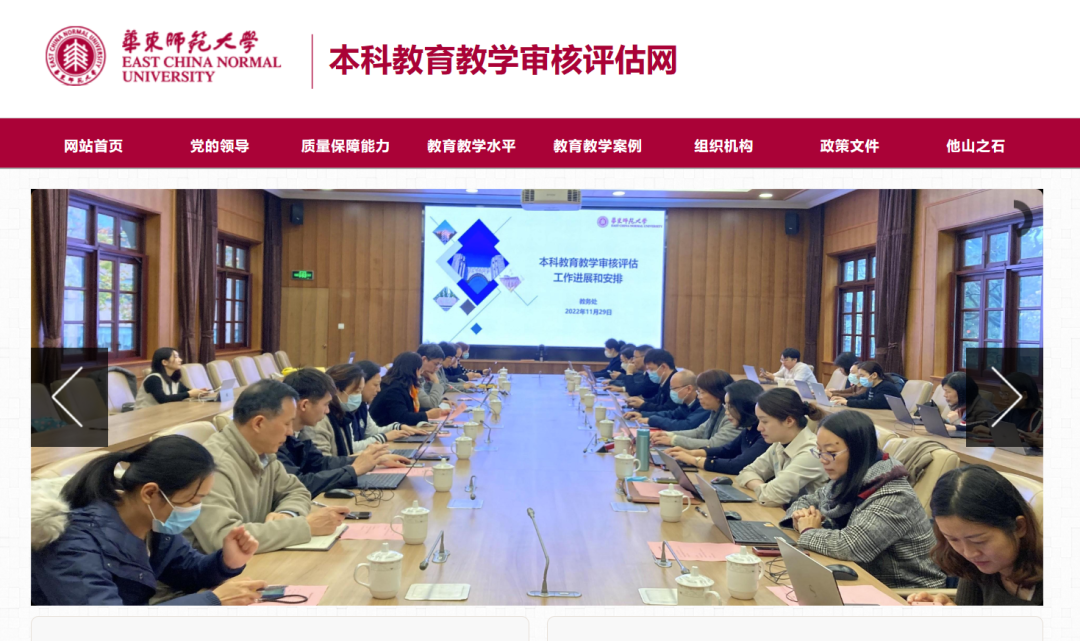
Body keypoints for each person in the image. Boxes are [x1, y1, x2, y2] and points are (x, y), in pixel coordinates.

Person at [31, 435, 265, 605]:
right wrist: (212, 601)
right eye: (192, 501)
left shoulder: (152, 523)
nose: (196, 509)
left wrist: (226, 562)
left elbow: (187, 570)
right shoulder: (72, 545)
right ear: (150, 493)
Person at [780, 411, 946, 589]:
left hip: (906, 592)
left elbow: (850, 546)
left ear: (858, 451)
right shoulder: (849, 478)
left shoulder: (894, 495)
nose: (823, 460)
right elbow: (807, 500)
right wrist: (800, 516)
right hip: (861, 579)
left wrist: (808, 530)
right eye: (819, 451)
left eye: (830, 452)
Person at [190, 380, 351, 554]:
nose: (290, 432)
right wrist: (304, 527)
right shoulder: (212, 466)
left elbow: (296, 490)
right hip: (216, 569)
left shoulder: (263, 451)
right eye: (287, 423)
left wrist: (288, 513)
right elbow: (224, 538)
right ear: (258, 423)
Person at [908, 465, 1042, 605]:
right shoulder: (977, 565)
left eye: (979, 541)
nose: (968, 553)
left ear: (1019, 527)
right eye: (953, 539)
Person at [278, 368, 410, 496]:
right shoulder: (277, 439)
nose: (327, 411)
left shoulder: (295, 434)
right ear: (304, 405)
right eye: (325, 404)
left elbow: (319, 463)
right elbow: (298, 484)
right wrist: (353, 470)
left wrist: (372, 460)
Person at [736, 387, 828, 507]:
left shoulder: (811, 452)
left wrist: (764, 489)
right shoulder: (780, 444)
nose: (759, 428)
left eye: (764, 421)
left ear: (789, 421)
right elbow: (746, 472)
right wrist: (764, 488)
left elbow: (771, 497)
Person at [666, 379, 769, 475]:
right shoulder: (748, 429)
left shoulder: (764, 435)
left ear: (743, 407)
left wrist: (694, 460)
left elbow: (737, 465)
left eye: (730, 406)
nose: (727, 412)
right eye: (725, 406)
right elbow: (726, 450)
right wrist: (691, 453)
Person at [648, 370, 740, 449]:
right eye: (699, 392)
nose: (699, 397)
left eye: (702, 392)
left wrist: (673, 440)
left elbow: (713, 444)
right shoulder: (716, 411)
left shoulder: (732, 417)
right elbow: (698, 432)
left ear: (717, 394)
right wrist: (667, 434)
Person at [352, 360, 428, 449]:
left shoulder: (362, 405)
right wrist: (385, 437)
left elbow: (372, 431)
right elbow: (351, 448)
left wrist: (399, 427)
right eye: (375, 385)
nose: (379, 390)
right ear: (361, 384)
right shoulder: (347, 409)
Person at [370, 351, 451, 427]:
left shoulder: (403, 385)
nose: (420, 375)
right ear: (415, 370)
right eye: (420, 370)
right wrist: (427, 415)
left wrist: (437, 410)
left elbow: (411, 409)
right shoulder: (393, 389)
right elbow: (402, 417)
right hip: (384, 432)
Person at [624, 369, 710, 431]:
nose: (671, 392)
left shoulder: (704, 405)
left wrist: (653, 420)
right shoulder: (686, 403)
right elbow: (671, 414)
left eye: (674, 388)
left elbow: (686, 425)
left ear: (688, 389)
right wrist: (643, 415)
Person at [135, 347, 211, 409]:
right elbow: (163, 399)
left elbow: (186, 391)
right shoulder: (154, 379)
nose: (180, 360)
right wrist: (189, 394)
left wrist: (199, 392)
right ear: (164, 362)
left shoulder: (173, 379)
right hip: (145, 417)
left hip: (163, 415)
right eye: (176, 357)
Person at [830, 360, 902, 410]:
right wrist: (843, 399)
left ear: (874, 375)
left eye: (862, 375)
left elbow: (873, 403)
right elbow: (860, 397)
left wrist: (847, 402)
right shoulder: (871, 386)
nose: (859, 378)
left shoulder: (886, 387)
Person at [626, 348, 678, 413]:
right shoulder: (664, 380)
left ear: (663, 367)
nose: (649, 373)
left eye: (651, 369)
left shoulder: (676, 383)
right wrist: (639, 401)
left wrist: (643, 405)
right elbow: (656, 400)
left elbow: (667, 409)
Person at [416, 343, 449, 410]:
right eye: (436, 364)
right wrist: (436, 382)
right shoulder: (412, 378)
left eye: (439, 365)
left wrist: (441, 401)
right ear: (424, 360)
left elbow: (427, 397)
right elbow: (430, 405)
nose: (437, 369)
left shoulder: (423, 376)